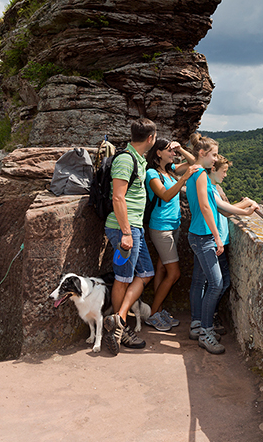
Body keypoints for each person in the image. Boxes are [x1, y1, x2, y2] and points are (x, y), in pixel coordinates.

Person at [102, 118, 158, 355]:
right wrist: (126, 232)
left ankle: (119, 317)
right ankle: (120, 329)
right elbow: (118, 197)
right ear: (150, 138)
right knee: (123, 278)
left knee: (146, 272)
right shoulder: (126, 160)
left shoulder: (139, 160)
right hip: (123, 229)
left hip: (135, 228)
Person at [185, 133, 241, 355]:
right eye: (214, 154)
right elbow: (206, 207)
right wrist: (218, 237)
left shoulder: (196, 173)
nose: (216, 159)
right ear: (202, 153)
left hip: (198, 234)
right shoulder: (199, 174)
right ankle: (206, 333)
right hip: (204, 236)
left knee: (199, 281)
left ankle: (197, 325)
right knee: (216, 284)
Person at [142, 138, 197, 332]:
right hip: (161, 228)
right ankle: (153, 314)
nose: (173, 154)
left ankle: (159, 311)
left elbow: (194, 163)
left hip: (174, 226)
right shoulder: (151, 173)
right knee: (174, 273)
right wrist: (183, 179)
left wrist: (181, 147)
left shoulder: (170, 171)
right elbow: (165, 195)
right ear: (158, 153)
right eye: (169, 151)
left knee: (163, 270)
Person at [208, 154, 259, 335]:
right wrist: (246, 207)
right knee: (219, 283)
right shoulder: (210, 188)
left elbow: (223, 209)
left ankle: (208, 316)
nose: (225, 175)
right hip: (215, 240)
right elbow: (224, 209)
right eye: (224, 171)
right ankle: (209, 317)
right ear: (213, 170)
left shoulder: (212, 186)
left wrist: (244, 204)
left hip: (220, 239)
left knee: (219, 282)